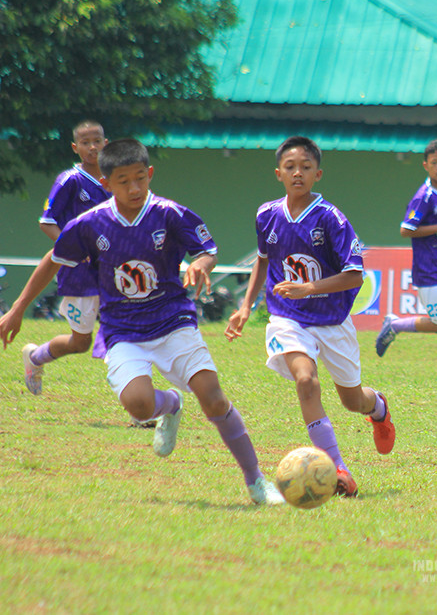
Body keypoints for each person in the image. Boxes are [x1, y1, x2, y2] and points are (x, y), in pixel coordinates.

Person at [0, 139, 283, 506]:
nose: (133, 188)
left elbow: (207, 249)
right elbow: (52, 260)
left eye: (139, 178)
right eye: (123, 181)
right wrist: (18, 308)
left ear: (149, 174)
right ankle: (171, 405)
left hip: (173, 321)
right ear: (106, 183)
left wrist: (200, 264)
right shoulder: (90, 224)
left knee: (213, 399)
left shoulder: (169, 214)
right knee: (138, 406)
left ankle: (256, 482)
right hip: (122, 331)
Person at [225, 136, 395, 497]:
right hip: (288, 318)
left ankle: (378, 408)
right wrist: (245, 307)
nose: (297, 173)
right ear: (278, 173)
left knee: (353, 401)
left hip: (332, 321)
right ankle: (337, 469)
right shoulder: (266, 214)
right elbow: (263, 259)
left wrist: (310, 288)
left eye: (305, 167)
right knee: (306, 380)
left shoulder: (331, 218)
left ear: (318, 174)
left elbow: (355, 274)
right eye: (290, 167)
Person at [21, 120, 111, 395]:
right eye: (85, 143)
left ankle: (138, 404)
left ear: (106, 143)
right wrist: (73, 247)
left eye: (97, 140)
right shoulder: (69, 180)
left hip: (111, 269)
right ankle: (35, 357)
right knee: (80, 342)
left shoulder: (115, 177)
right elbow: (47, 222)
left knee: (119, 333)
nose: (92, 147)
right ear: (75, 148)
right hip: (79, 272)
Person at [375, 139, 437, 376]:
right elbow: (405, 229)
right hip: (430, 271)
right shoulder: (424, 196)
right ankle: (395, 325)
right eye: (434, 163)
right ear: (425, 165)